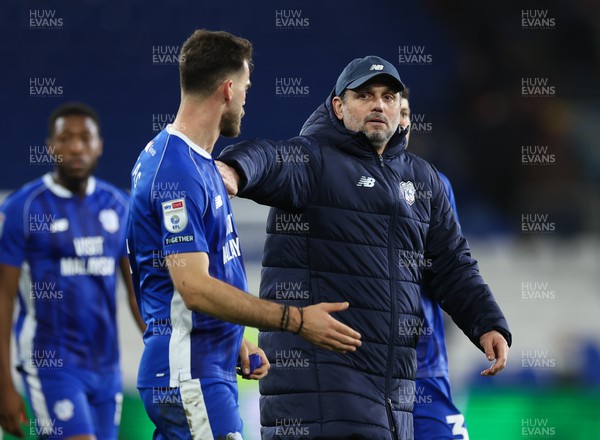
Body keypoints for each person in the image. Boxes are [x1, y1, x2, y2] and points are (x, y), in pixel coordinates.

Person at [216, 55, 512, 439]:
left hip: (392, 402)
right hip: (319, 401)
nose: (379, 104)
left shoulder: (422, 180)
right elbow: (270, 159)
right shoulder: (314, 159)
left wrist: (486, 322)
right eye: (365, 95)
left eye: (389, 97)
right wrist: (235, 169)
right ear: (339, 106)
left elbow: (453, 264)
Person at [126, 29, 362, 440]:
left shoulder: (198, 163)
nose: (247, 100)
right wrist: (296, 319)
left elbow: (206, 270)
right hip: (189, 372)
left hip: (205, 367)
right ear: (228, 89)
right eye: (247, 88)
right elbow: (194, 289)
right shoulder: (176, 172)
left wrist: (235, 342)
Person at [0, 102, 145, 439]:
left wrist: (165, 353)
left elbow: (136, 292)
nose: (76, 147)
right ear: (51, 146)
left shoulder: (117, 206)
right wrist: (4, 383)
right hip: (50, 364)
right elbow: (3, 298)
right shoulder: (24, 208)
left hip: (107, 368)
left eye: (85, 138)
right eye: (66, 138)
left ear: (100, 146)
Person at [399, 93, 469, 439]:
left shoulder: (436, 186)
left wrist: (485, 320)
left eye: (405, 112)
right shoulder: (335, 185)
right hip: (358, 378)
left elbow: (452, 269)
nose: (398, 120)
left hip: (425, 370)